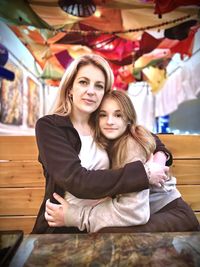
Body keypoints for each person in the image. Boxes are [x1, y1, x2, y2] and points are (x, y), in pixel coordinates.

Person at [32, 54, 173, 234]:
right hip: (61, 222)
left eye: (99, 86)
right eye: (83, 82)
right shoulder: (50, 126)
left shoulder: (103, 124)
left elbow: (142, 134)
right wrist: (144, 174)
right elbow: (77, 180)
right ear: (70, 88)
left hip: (101, 223)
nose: (91, 91)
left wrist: (159, 159)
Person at [45, 90, 199, 233]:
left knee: (108, 233)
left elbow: (134, 213)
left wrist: (76, 216)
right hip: (152, 214)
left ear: (128, 119)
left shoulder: (130, 144)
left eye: (118, 115)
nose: (110, 121)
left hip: (171, 215)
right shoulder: (107, 142)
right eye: (103, 115)